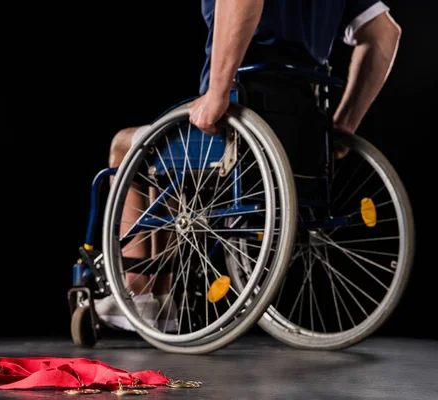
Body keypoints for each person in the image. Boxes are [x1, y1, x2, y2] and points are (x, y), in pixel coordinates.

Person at [96, 0, 402, 331]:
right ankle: (160, 299)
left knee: (125, 147)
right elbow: (385, 32)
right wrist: (344, 124)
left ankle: (138, 293)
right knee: (172, 164)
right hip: (302, 128)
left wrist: (217, 92)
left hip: (241, 123)